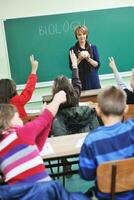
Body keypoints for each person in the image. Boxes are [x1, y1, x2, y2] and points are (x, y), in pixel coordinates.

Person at [0, 90, 66, 185]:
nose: (21, 120)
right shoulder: (20, 134)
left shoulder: (3, 143)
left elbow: (37, 147)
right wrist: (57, 99)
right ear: (9, 121)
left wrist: (46, 118)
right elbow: (47, 116)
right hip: (40, 190)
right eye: (18, 117)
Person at [79, 86, 134, 199]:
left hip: (106, 196)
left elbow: (86, 175)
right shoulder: (132, 128)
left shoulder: (91, 140)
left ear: (98, 110)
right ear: (126, 109)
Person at [51, 50, 99, 137]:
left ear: (55, 92)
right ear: (70, 88)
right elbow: (76, 82)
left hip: (66, 144)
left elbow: (76, 83)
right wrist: (74, 66)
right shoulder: (75, 96)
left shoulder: (55, 104)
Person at [69, 25, 101, 90]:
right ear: (76, 36)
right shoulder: (72, 50)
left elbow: (97, 65)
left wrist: (88, 59)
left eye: (84, 34)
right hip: (80, 81)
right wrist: (79, 59)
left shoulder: (93, 47)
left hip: (93, 80)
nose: (82, 36)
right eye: (79, 35)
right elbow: (72, 67)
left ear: (86, 35)